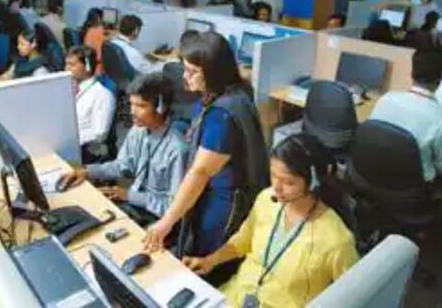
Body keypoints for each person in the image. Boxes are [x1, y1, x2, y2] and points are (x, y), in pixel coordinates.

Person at [143, 32, 269, 285]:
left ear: (213, 72)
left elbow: (200, 173)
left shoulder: (222, 115)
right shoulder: (233, 93)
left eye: (191, 71)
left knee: (207, 264)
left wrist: (165, 222)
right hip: (220, 193)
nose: (184, 76)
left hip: (224, 204)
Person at [183, 134, 358, 307]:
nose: (277, 188)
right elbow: (244, 240)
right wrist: (210, 261)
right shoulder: (267, 199)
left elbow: (354, 295)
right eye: (273, 175)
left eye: (288, 182)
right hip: (234, 297)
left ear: (313, 182)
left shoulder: (336, 241)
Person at [58, 72, 188, 227]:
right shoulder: (138, 130)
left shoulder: (176, 150)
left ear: (161, 107)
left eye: (140, 106)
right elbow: (121, 166)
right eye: (131, 104)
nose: (132, 111)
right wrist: (87, 172)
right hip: (134, 206)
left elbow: (173, 208)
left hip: (158, 220)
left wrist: (130, 196)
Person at [370, 50, 442, 183]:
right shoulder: (438, 119)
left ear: (411, 75)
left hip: (375, 175)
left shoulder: (385, 99)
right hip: (414, 187)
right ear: (439, 81)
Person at [64, 45, 116, 162]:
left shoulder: (102, 95)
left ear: (87, 66)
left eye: (72, 65)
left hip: (86, 150)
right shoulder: (68, 88)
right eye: (66, 64)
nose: (66, 69)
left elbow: (100, 134)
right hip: (69, 144)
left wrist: (71, 140)